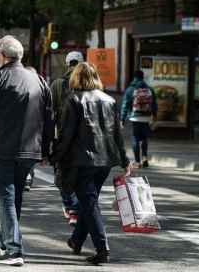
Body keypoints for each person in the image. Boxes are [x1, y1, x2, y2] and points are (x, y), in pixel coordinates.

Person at [0, 36, 53, 267]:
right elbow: (48, 118)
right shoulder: (39, 80)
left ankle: (14, 249)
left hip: (2, 150)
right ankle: (4, 240)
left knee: (5, 196)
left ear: (3, 56)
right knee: (14, 197)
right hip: (30, 150)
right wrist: (46, 150)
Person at [52, 62, 131, 265]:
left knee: (89, 203)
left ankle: (102, 248)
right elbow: (117, 134)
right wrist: (124, 160)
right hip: (104, 161)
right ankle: (76, 241)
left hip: (82, 160)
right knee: (89, 200)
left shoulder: (73, 100)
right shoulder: (109, 100)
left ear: (75, 78)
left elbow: (66, 134)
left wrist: (55, 155)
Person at [50, 51, 83, 226]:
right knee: (81, 174)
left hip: (61, 136)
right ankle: (75, 209)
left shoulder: (57, 84)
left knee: (61, 174)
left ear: (67, 63)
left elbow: (50, 112)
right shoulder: (89, 83)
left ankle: (70, 206)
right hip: (84, 137)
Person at [121, 70, 157, 168]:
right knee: (145, 138)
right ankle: (144, 157)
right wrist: (154, 116)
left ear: (134, 77)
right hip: (146, 117)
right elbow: (154, 104)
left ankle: (137, 161)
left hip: (134, 117)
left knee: (135, 139)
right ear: (143, 77)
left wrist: (122, 119)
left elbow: (125, 104)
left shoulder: (130, 89)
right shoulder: (149, 89)